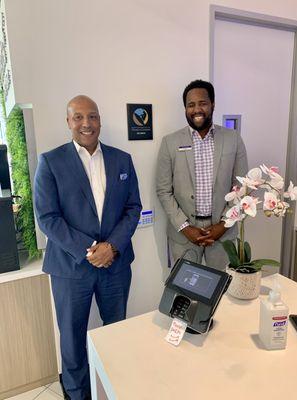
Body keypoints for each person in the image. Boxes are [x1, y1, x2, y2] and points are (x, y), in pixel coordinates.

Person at [34, 95, 142, 400]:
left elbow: (133, 208)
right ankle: (77, 393)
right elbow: (47, 218)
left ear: (100, 121)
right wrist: (92, 249)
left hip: (116, 265)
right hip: (70, 269)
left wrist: (112, 247)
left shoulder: (122, 160)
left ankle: (114, 388)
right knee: (72, 338)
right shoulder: (51, 162)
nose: (86, 123)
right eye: (78, 117)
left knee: (115, 332)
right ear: (68, 122)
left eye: (92, 117)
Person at [156, 79, 248, 270]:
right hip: (184, 234)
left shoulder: (233, 139)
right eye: (191, 105)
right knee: (185, 291)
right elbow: (164, 191)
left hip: (224, 232)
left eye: (202, 103)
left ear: (212, 105)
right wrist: (186, 228)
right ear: (185, 109)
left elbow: (242, 188)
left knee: (222, 291)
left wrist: (223, 225)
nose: (197, 109)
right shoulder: (170, 143)